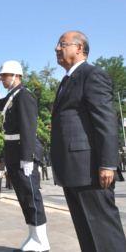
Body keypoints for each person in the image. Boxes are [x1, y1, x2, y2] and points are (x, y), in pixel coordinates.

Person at [51, 31, 126, 251]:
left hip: (91, 170)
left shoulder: (92, 75)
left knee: (105, 233)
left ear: (79, 48)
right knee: (86, 232)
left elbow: (106, 121)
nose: (57, 48)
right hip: (73, 171)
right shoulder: (67, 80)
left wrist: (108, 164)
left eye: (62, 44)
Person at [0, 60, 50, 251]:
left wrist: (28, 157)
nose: (2, 78)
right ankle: (33, 235)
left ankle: (41, 240)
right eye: (2, 75)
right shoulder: (12, 95)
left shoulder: (24, 96)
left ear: (16, 75)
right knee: (23, 195)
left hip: (23, 150)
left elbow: (28, 128)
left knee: (31, 195)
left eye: (5, 75)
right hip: (13, 150)